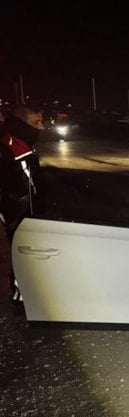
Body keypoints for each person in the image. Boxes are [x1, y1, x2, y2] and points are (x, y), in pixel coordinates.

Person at [0, 105, 45, 302]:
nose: (42, 128)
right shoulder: (10, 147)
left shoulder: (23, 143)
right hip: (18, 216)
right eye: (37, 123)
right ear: (21, 124)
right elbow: (20, 186)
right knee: (21, 260)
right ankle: (20, 301)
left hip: (26, 214)